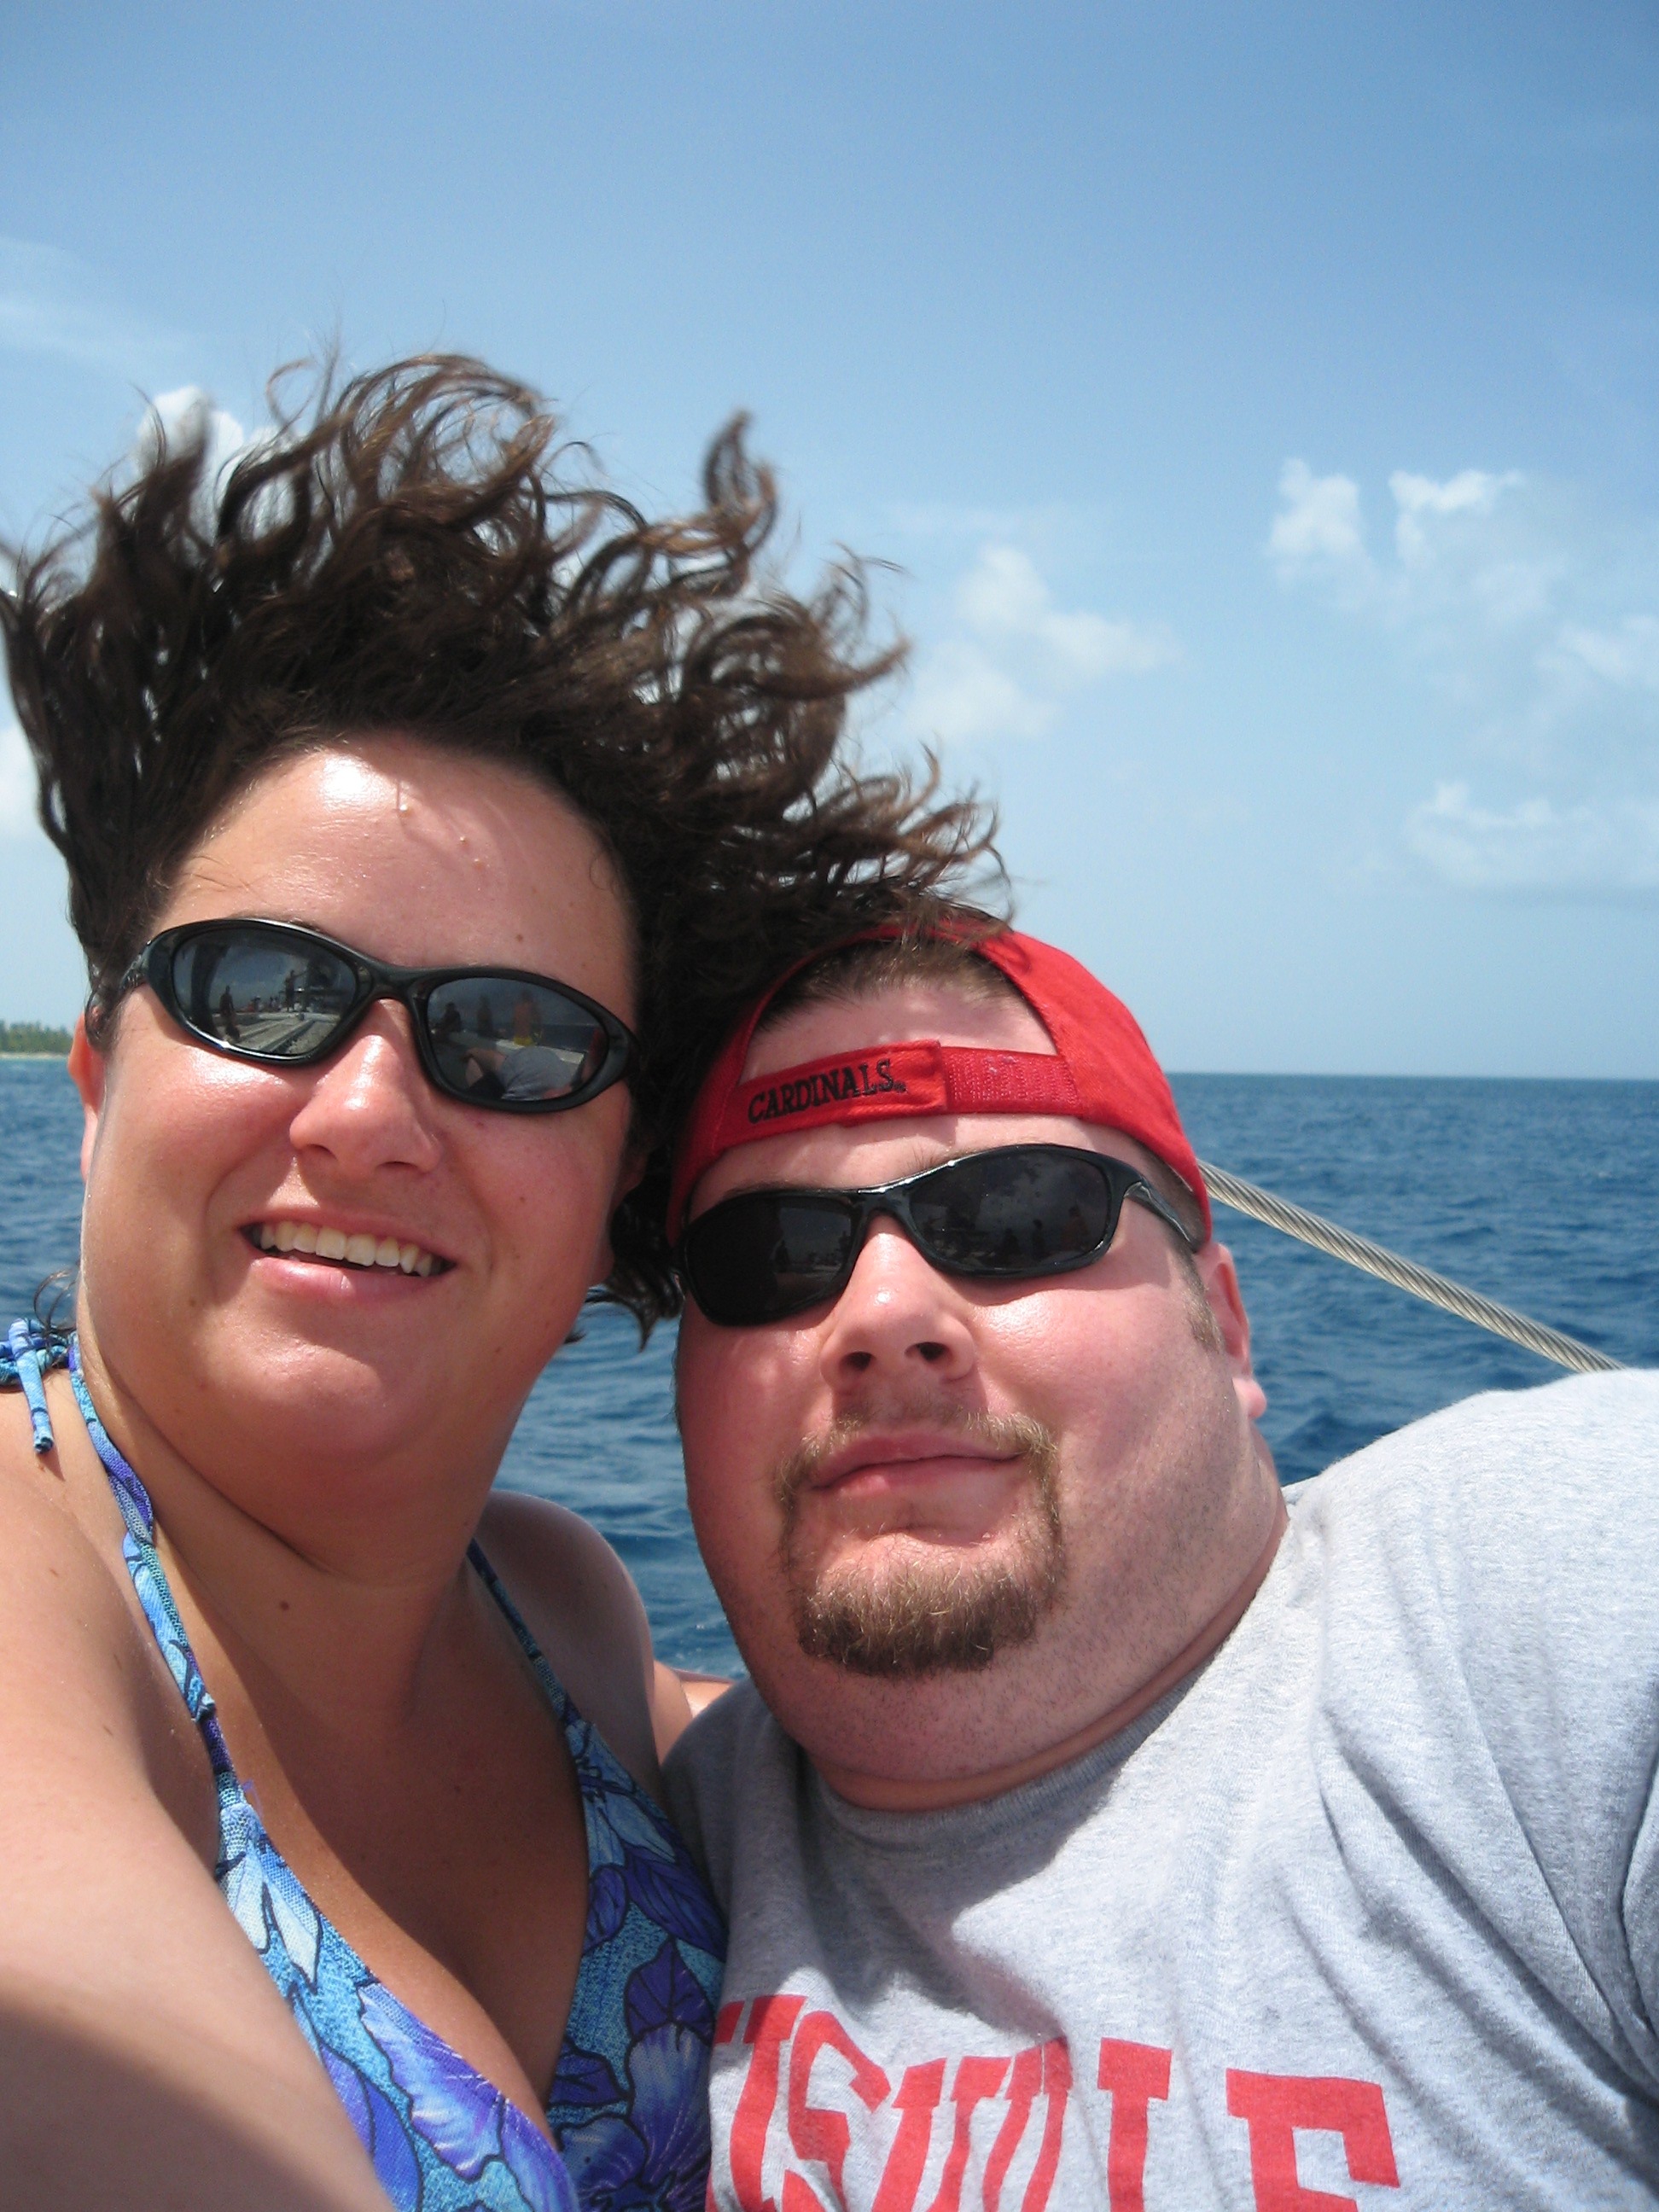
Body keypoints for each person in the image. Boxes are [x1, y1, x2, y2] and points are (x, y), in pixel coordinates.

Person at [0, 361, 990, 2212]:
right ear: (101, 1078)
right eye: (259, 991)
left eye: (516, 1041)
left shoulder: (560, 1611)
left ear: (620, 1176)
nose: (371, 1111)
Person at [662, 923, 1659, 2209]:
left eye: (1014, 1216)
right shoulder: (616, 1835)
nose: (884, 1317)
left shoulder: (1556, 1596)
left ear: (1226, 1324)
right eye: (774, 1256)